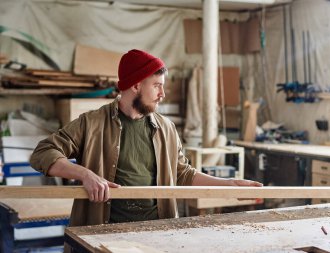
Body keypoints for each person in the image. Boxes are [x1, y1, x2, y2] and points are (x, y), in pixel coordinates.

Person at [30, 49, 262, 227]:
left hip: (156, 227)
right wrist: (85, 175)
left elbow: (183, 173)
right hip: (103, 228)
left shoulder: (166, 128)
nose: (162, 94)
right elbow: (43, 152)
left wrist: (229, 185)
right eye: (157, 86)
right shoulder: (92, 123)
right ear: (136, 85)